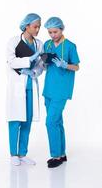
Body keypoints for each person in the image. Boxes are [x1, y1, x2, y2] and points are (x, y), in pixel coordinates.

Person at [6, 13, 44, 166]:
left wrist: (35, 71)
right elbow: (11, 61)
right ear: (26, 26)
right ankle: (13, 154)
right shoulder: (14, 41)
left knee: (27, 120)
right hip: (17, 86)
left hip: (30, 85)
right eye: (35, 26)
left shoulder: (39, 44)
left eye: (39, 27)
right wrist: (29, 59)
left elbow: (41, 65)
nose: (38, 29)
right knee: (15, 120)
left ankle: (23, 153)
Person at [43, 17, 80, 168]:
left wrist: (65, 65)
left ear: (62, 29)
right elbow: (45, 66)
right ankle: (62, 154)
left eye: (55, 31)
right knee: (57, 122)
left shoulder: (70, 46)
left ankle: (56, 156)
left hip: (62, 89)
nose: (52, 35)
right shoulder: (48, 44)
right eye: (50, 32)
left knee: (50, 122)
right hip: (48, 89)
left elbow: (76, 67)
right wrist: (44, 63)